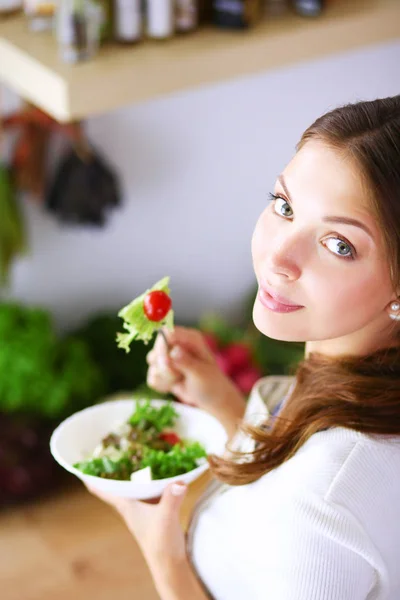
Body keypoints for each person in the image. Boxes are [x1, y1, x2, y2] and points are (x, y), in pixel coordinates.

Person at [87, 96, 400, 599]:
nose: (278, 257)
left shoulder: (322, 510)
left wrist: (162, 551)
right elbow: (281, 482)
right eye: (285, 206)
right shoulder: (358, 385)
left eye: (339, 244)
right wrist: (221, 401)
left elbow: (307, 505)